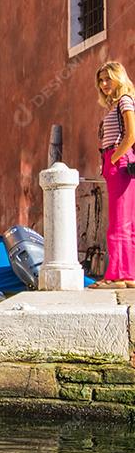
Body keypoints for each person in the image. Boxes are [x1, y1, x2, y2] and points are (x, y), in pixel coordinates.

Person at [93, 61, 135, 289]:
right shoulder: (117, 105)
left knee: (118, 222)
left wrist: (114, 158)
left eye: (108, 78)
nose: (104, 84)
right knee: (126, 222)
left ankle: (117, 276)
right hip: (120, 163)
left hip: (120, 163)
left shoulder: (125, 101)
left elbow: (131, 135)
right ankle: (128, 275)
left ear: (119, 77)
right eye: (101, 80)